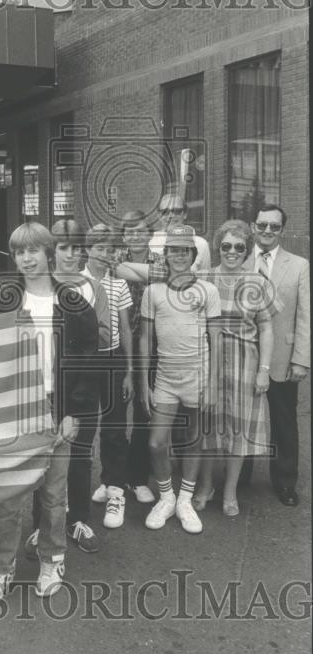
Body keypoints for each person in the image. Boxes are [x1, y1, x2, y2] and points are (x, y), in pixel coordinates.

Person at [0, 222, 99, 605]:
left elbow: (85, 361)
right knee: (10, 496)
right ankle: (2, 566)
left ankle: (52, 558)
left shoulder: (74, 302)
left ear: (49, 253)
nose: (27, 259)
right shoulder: (3, 299)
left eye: (34, 251)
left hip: (55, 406)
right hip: (15, 408)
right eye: (19, 252)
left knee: (53, 492)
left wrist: (73, 413)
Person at [139, 225, 222, 534]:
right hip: (165, 378)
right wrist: (143, 382)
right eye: (172, 250)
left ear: (193, 255)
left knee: (193, 440)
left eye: (184, 251)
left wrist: (213, 384)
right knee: (157, 441)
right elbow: (146, 339)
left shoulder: (208, 291)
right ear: (165, 255)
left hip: (197, 376)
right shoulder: (153, 291)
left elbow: (217, 340)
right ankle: (166, 497)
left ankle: (185, 500)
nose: (178, 256)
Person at [193, 220, 276, 517]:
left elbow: (266, 327)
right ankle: (205, 486)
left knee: (239, 430)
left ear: (247, 249)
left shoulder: (258, 281)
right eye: (226, 246)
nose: (232, 252)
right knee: (207, 429)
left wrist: (264, 369)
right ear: (218, 247)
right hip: (209, 360)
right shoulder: (203, 278)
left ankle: (229, 490)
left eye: (239, 247)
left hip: (246, 361)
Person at [47, 218, 110, 552]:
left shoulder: (92, 286)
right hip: (47, 385)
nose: (70, 255)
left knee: (81, 452)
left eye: (76, 248)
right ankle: (45, 523)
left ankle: (79, 519)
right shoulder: (40, 284)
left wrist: (70, 338)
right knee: (46, 455)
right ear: (53, 250)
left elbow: (102, 334)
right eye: (63, 248)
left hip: (83, 380)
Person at [242, 204, 309, 506]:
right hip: (243, 357)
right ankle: (239, 477)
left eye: (274, 227)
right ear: (253, 226)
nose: (267, 231)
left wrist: (301, 359)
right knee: (242, 419)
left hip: (282, 357)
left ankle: (284, 480)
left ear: (282, 230)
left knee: (283, 420)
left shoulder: (299, 266)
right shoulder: (237, 260)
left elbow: (305, 316)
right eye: (262, 225)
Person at [79, 224, 134, 529]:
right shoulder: (74, 283)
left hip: (112, 358)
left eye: (108, 249)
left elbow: (125, 329)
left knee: (114, 426)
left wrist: (127, 371)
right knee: (84, 427)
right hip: (85, 361)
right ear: (87, 249)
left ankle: (115, 488)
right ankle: (77, 492)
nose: (103, 254)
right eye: (98, 248)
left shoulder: (119, 285)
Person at [111, 210, 168, 504]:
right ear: (123, 235)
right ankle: (113, 479)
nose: (134, 235)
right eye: (129, 231)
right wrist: (138, 271)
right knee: (117, 413)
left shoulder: (160, 260)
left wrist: (126, 268)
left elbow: (165, 275)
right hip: (119, 343)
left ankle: (137, 477)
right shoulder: (112, 257)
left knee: (145, 409)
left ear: (149, 234)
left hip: (151, 344)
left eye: (140, 230)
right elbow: (115, 272)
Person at [149, 194, 211, 272]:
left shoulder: (201, 244)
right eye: (165, 212)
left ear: (185, 214)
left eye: (177, 211)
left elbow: (204, 276)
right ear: (159, 216)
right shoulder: (150, 242)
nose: (171, 215)